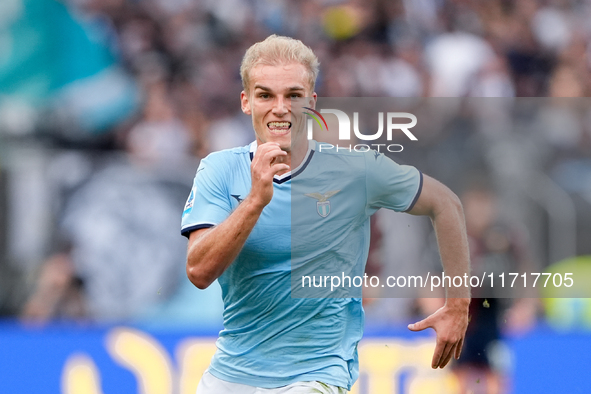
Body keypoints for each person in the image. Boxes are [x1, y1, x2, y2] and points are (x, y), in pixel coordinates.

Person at [181, 35, 470, 394]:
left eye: (293, 95)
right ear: (246, 102)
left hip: (317, 374)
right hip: (231, 373)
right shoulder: (219, 169)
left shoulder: (356, 170)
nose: (280, 107)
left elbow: (446, 204)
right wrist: (255, 201)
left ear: (312, 103)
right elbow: (198, 271)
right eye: (265, 95)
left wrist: (458, 304)